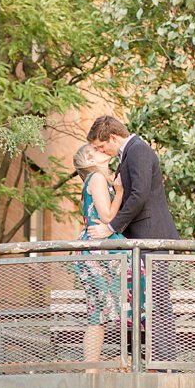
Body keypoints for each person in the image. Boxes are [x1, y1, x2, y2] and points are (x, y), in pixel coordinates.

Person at [87, 115, 180, 360]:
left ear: (114, 137)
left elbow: (138, 195)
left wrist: (111, 227)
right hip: (142, 240)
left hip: (153, 238)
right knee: (151, 300)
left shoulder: (138, 150)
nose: (101, 151)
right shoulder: (129, 154)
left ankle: (166, 362)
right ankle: (156, 359)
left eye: (102, 145)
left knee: (158, 299)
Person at [71, 142, 125, 367]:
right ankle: (92, 369)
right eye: (96, 150)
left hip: (95, 251)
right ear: (89, 160)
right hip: (98, 253)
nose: (102, 150)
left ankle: (93, 368)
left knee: (98, 313)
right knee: (100, 312)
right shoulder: (97, 179)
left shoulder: (92, 181)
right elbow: (107, 217)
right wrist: (120, 191)